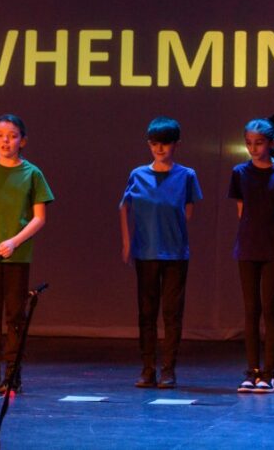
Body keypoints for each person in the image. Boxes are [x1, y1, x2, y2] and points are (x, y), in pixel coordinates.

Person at [0, 113, 54, 394]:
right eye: (1, 135)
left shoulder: (32, 174)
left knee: (15, 315)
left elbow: (39, 217)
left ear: (22, 140)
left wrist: (15, 241)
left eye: (12, 135)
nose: (6, 141)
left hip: (16, 256)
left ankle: (12, 372)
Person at [119, 116, 202, 389]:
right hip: (146, 253)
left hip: (175, 254)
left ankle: (168, 370)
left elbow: (188, 211)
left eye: (165, 144)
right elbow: (124, 206)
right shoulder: (138, 174)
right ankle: (147, 368)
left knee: (172, 313)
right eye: (155, 144)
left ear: (176, 145)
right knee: (147, 312)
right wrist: (127, 243)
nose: (160, 149)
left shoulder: (186, 175)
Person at [228, 115, 274, 394]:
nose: (253, 148)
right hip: (247, 246)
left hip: (272, 248)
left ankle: (269, 372)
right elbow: (241, 208)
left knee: (269, 309)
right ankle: (252, 370)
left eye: (258, 143)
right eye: (249, 144)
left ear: (271, 143)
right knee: (250, 309)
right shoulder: (240, 172)